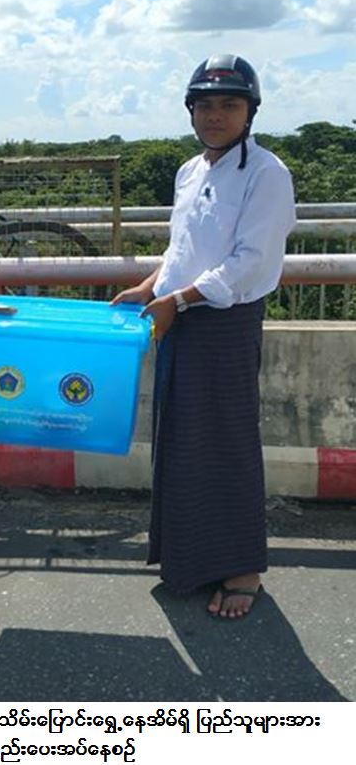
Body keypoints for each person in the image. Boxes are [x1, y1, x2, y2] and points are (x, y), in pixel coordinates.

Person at [112, 55, 296, 618]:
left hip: (224, 323)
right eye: (205, 105)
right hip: (181, 318)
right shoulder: (190, 171)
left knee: (227, 440)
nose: (215, 115)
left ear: (250, 111)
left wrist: (178, 300)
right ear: (191, 111)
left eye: (229, 105)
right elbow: (183, 249)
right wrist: (149, 287)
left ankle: (242, 568)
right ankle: (188, 558)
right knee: (181, 441)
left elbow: (249, 262)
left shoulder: (267, 173)